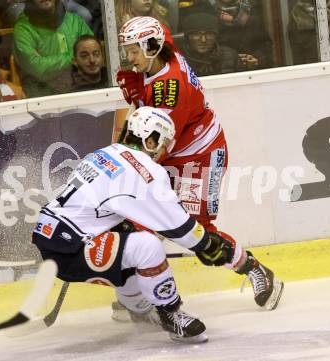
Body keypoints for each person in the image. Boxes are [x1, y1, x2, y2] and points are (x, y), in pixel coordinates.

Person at [115, 16, 283, 318]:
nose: (129, 57)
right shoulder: (163, 56)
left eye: (134, 50)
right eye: (127, 49)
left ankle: (255, 269)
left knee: (194, 231)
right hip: (174, 148)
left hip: (199, 155)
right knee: (136, 222)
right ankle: (136, 292)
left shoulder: (170, 91)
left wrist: (125, 173)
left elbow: (156, 148)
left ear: (152, 47)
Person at [33, 106, 220, 343]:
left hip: (51, 236)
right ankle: (171, 315)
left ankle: (138, 309)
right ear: (150, 139)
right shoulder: (145, 169)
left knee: (129, 238)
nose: (163, 152)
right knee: (147, 246)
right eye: (163, 144)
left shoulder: (105, 152)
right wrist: (208, 245)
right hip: (72, 246)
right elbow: (180, 228)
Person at [12, 0, 94, 97]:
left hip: (80, 91)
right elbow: (38, 67)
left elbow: (92, 56)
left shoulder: (75, 21)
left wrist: (48, 62)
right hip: (43, 98)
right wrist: (76, 58)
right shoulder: (23, 29)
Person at [216, 0, 273, 70]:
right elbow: (209, 49)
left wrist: (257, 59)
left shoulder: (252, 12)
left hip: (255, 71)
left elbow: (266, 45)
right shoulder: (211, 15)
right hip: (226, 72)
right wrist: (232, 58)